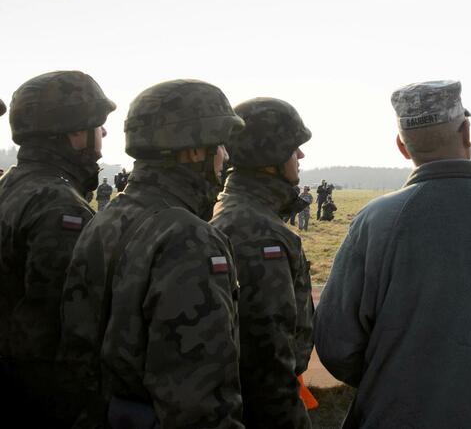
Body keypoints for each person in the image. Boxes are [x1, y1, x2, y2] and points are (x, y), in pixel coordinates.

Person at [315, 80, 471, 428]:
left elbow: (337, 344)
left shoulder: (376, 222)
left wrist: (390, 378)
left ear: (401, 146)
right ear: (467, 132)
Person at [59, 79, 245, 428]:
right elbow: (200, 401)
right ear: (194, 151)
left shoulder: (106, 219)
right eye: (220, 145)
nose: (226, 157)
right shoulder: (189, 238)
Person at [0, 71, 115, 427]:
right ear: (76, 133)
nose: (105, 133)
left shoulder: (12, 187)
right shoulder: (60, 206)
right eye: (99, 124)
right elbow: (60, 330)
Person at [211, 97, 315, 428]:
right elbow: (267, 362)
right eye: (294, 147)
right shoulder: (258, 234)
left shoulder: (234, 209)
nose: (300, 156)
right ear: (269, 155)